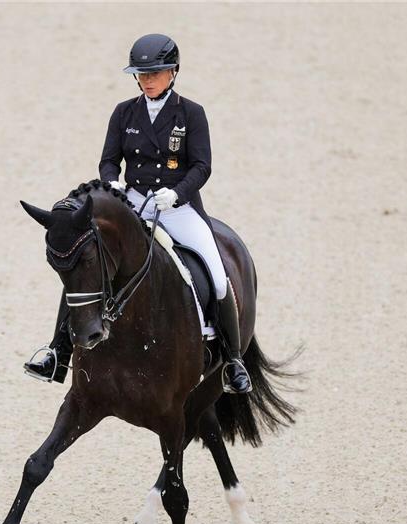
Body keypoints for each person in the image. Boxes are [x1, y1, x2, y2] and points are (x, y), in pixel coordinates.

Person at [24, 34, 251, 394]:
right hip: (132, 203)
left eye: (155, 73)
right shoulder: (123, 112)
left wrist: (176, 193)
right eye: (142, 74)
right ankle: (57, 352)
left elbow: (202, 166)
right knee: (87, 261)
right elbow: (109, 159)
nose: (147, 80)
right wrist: (112, 182)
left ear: (173, 72)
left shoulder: (191, 113)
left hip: (177, 207)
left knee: (217, 273)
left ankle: (233, 359)